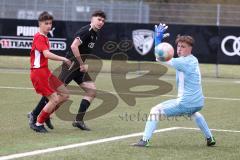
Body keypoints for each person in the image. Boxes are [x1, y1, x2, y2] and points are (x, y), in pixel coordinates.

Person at [133, 24, 216, 147]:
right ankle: (210, 138)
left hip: (185, 102)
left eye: (183, 47)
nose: (179, 49)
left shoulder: (183, 62)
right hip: (198, 102)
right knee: (194, 113)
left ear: (190, 48)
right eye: (178, 46)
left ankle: (144, 140)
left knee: (155, 110)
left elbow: (160, 57)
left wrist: (157, 40)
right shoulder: (193, 59)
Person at [28, 10, 106, 131]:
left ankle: (78, 120)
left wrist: (81, 65)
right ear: (92, 19)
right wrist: (81, 63)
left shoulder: (95, 34)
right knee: (54, 93)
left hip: (79, 68)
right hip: (70, 66)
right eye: (98, 19)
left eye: (102, 21)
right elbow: (74, 46)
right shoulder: (86, 31)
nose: (100, 22)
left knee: (91, 91)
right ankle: (34, 114)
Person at [29, 11, 71, 133]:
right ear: (40, 24)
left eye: (50, 23)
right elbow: (46, 54)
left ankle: (44, 116)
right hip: (38, 73)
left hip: (45, 71)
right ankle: (38, 123)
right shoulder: (39, 37)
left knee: (64, 95)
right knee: (54, 99)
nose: (49, 26)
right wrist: (63, 58)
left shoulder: (45, 37)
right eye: (46, 23)